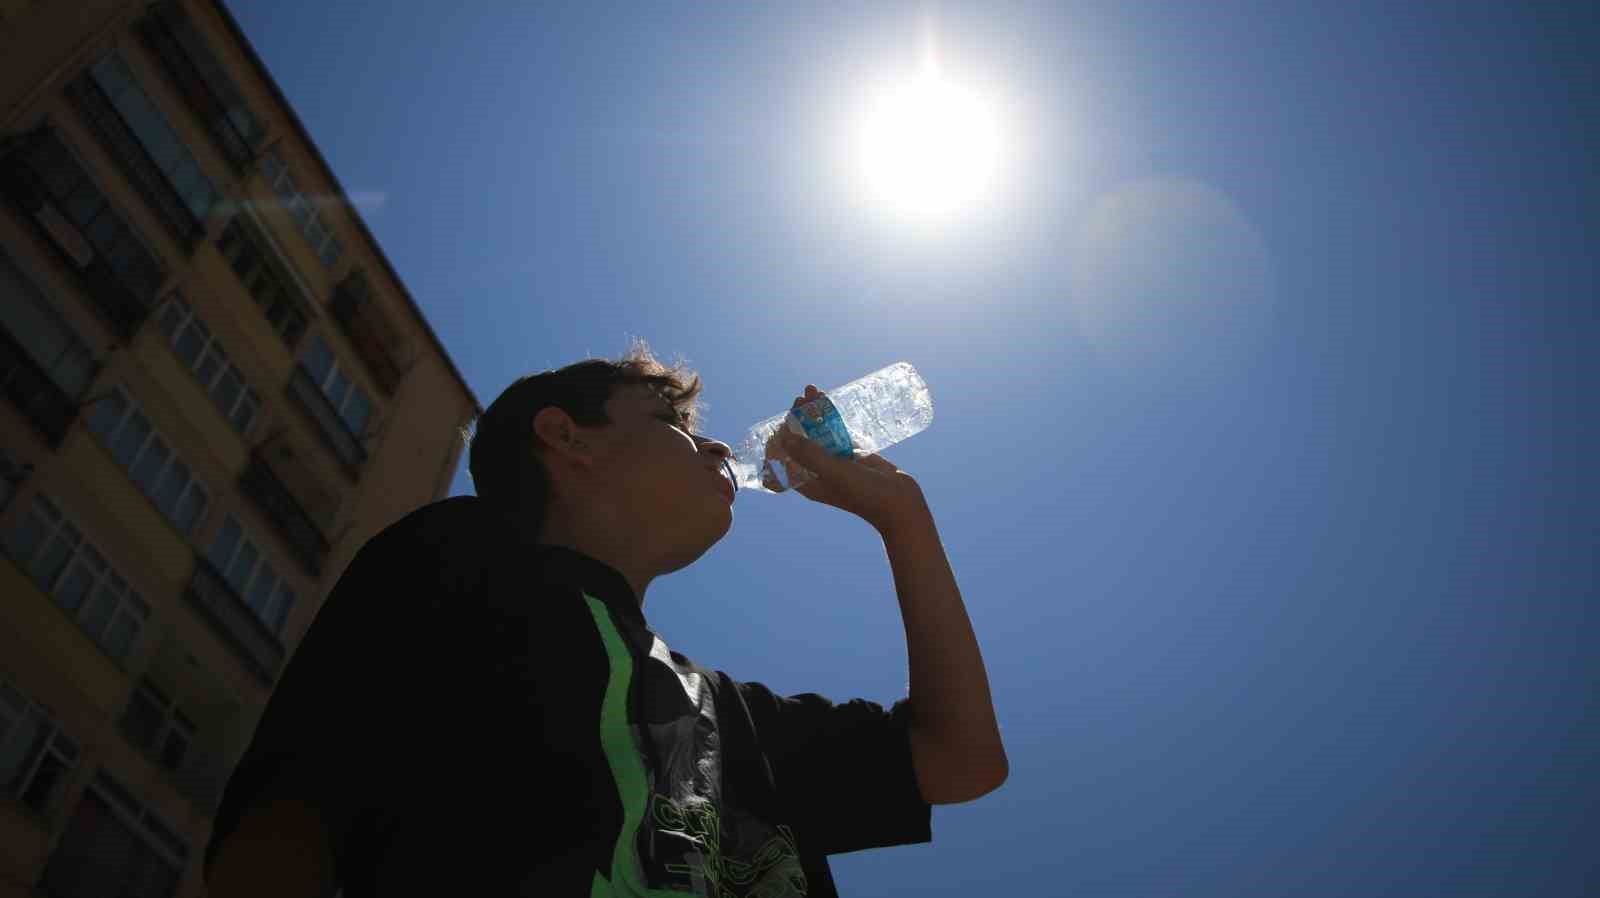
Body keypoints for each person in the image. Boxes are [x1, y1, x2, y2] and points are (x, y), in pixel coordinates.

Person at [202, 340, 1006, 897]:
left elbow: (961, 760)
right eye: (675, 426)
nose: (720, 445)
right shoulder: (461, 555)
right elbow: (288, 821)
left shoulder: (731, 719)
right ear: (566, 439)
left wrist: (902, 515)